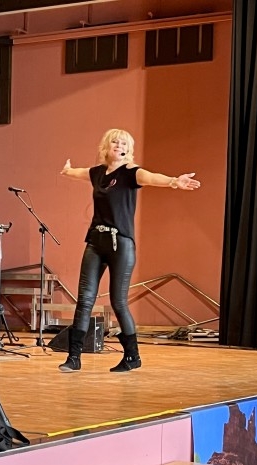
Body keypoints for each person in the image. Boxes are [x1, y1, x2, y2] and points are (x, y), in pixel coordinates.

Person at [58, 128, 201, 373]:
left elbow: (153, 177)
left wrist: (174, 181)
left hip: (121, 243)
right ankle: (74, 357)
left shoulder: (132, 173)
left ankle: (132, 356)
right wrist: (67, 170)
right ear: (106, 146)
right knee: (85, 299)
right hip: (95, 241)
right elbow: (79, 173)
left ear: (128, 150)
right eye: (115, 142)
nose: (119, 146)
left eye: (124, 143)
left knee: (118, 301)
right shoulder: (97, 173)